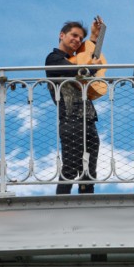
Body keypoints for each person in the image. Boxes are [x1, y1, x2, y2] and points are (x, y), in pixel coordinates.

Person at [45, 19, 103, 195]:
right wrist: (91, 69)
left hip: (88, 120)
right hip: (70, 119)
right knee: (70, 167)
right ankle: (61, 207)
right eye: (74, 35)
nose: (77, 40)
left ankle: (87, 207)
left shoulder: (74, 59)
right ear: (62, 35)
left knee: (89, 173)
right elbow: (76, 69)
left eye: (80, 37)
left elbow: (87, 57)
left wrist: (93, 37)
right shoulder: (53, 58)